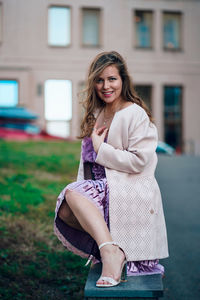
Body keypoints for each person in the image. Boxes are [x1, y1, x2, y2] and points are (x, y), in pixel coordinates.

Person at [54, 51, 169, 288]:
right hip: (104, 188)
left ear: (123, 80)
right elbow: (87, 164)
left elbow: (140, 161)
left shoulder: (134, 113)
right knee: (65, 211)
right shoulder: (97, 113)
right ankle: (111, 247)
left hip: (129, 188)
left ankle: (110, 255)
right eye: (99, 80)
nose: (105, 86)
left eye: (112, 79)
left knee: (72, 193)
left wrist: (100, 148)